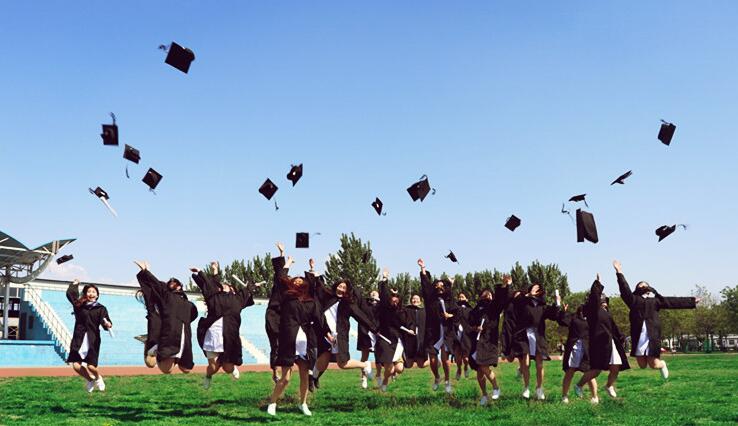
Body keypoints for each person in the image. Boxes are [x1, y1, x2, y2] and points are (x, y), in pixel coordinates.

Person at [613, 260, 698, 380]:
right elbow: (624, 289)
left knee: (654, 364)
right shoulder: (633, 300)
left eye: (644, 285)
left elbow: (673, 302)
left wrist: (691, 301)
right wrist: (619, 272)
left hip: (652, 335)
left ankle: (662, 364)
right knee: (642, 365)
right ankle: (653, 362)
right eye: (640, 285)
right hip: (639, 336)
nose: (642, 286)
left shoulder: (655, 301)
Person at [267, 247, 326, 417]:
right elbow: (280, 278)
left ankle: (303, 404)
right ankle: (272, 403)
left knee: (304, 377)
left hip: (305, 344)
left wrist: (312, 269)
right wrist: (286, 262)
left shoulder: (310, 301)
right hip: (289, 341)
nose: (298, 281)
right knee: (285, 378)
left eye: (301, 280)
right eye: (296, 280)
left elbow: (319, 314)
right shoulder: (287, 296)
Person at [311, 258, 376, 390]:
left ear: (347, 291)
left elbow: (360, 316)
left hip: (340, 336)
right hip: (324, 333)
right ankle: (313, 378)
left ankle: (365, 365)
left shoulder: (349, 304)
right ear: (336, 287)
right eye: (340, 286)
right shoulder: (328, 297)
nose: (341, 289)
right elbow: (319, 286)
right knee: (324, 357)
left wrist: (374, 328)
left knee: (343, 363)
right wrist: (313, 270)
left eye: (344, 288)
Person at [190, 261, 256, 389]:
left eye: (228, 286)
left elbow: (247, 292)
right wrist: (204, 271)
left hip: (229, 337)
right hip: (212, 336)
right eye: (222, 285)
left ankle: (231, 368)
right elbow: (211, 285)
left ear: (233, 290)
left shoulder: (237, 300)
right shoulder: (213, 297)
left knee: (228, 368)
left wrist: (251, 286)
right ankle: (208, 376)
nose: (224, 286)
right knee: (213, 367)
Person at [134, 261, 198, 374]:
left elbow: (193, 315)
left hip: (179, 334)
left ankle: (174, 356)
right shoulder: (167, 296)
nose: (172, 283)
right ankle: (149, 344)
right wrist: (145, 271)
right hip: (162, 332)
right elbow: (155, 284)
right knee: (155, 365)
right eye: (170, 283)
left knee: (186, 369)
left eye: (175, 282)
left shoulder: (188, 304)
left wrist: (178, 320)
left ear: (180, 286)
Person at [575, 274, 630, 404]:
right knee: (596, 370)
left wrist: (621, 336)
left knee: (616, 366)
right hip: (599, 343)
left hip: (611, 342)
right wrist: (597, 284)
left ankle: (609, 385)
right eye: (602, 299)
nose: (605, 302)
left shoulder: (606, 313)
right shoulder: (593, 311)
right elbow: (594, 297)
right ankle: (579, 385)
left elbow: (613, 327)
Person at [510, 283, 561, 400]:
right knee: (526, 363)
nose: (536, 290)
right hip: (525, 335)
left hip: (538, 336)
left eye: (538, 289)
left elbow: (554, 314)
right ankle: (526, 387)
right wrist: (528, 295)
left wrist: (557, 302)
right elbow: (516, 302)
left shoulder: (542, 306)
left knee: (539, 364)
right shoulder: (524, 303)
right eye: (534, 288)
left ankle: (539, 388)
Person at [467, 275, 511, 405]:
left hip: (488, 341)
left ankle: (496, 387)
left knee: (483, 366)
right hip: (476, 342)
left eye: (489, 294)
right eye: (484, 294)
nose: (487, 296)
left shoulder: (494, 307)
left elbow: (501, 299)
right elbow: (469, 324)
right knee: (479, 370)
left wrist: (504, 285)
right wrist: (476, 328)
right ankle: (485, 395)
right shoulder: (475, 310)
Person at [418, 258, 458, 393]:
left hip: (446, 331)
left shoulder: (449, 299)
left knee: (445, 359)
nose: (440, 287)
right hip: (433, 331)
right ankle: (437, 377)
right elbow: (425, 285)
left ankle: (447, 381)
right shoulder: (430, 299)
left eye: (442, 285)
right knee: (433, 360)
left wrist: (450, 316)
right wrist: (423, 269)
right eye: (437, 285)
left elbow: (456, 313)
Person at [66, 279, 112, 392]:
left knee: (91, 366)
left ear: (97, 295)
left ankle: (98, 378)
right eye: (89, 291)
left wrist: (108, 324)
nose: (91, 294)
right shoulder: (79, 305)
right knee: (76, 366)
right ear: (86, 294)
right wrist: (74, 285)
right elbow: (70, 295)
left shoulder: (101, 308)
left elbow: (105, 321)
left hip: (93, 339)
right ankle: (90, 379)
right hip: (79, 338)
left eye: (93, 292)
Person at [375, 269, 415, 391]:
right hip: (386, 340)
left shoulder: (403, 311)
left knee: (399, 369)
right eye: (392, 296)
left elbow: (409, 323)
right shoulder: (384, 308)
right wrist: (385, 279)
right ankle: (385, 381)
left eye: (397, 297)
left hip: (398, 342)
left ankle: (391, 373)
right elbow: (383, 294)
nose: (394, 298)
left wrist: (411, 329)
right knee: (390, 369)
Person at [557, 303, 596, 403]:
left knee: (589, 372)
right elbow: (562, 321)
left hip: (587, 348)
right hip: (574, 347)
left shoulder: (592, 319)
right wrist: (563, 311)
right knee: (570, 371)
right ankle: (564, 396)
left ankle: (594, 397)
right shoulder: (573, 317)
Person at [266, 243, 288, 383]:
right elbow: (280, 274)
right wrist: (282, 254)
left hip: (285, 320)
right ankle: (275, 371)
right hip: (273, 317)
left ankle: (285, 369)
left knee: (285, 345)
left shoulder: (291, 294)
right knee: (275, 345)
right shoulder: (278, 289)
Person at [357, 290, 381, 389]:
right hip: (365, 333)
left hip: (377, 333)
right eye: (372, 293)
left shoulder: (381, 306)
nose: (374, 294)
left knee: (378, 357)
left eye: (376, 293)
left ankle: (378, 375)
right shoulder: (364, 304)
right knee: (364, 356)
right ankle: (364, 378)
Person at [401, 294, 427, 370]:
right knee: (409, 365)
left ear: (421, 301)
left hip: (421, 340)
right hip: (409, 339)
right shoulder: (406, 310)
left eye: (417, 299)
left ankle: (434, 361)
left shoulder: (424, 311)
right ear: (411, 300)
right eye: (413, 299)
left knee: (421, 365)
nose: (415, 300)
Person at [453, 292, 473, 380]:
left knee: (466, 358)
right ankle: (459, 369)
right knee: (458, 357)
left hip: (467, 336)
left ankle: (465, 367)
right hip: (456, 335)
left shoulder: (470, 309)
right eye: (459, 297)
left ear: (467, 299)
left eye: (462, 297)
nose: (460, 298)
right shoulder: (455, 308)